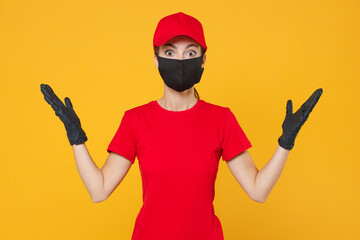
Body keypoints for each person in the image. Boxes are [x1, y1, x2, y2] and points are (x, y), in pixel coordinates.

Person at [40, 12, 323, 240]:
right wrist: (77, 139)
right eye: (169, 51)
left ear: (202, 60)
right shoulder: (136, 120)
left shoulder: (220, 119)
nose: (180, 60)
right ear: (156, 59)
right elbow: (98, 190)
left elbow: (258, 191)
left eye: (190, 53)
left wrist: (285, 143)